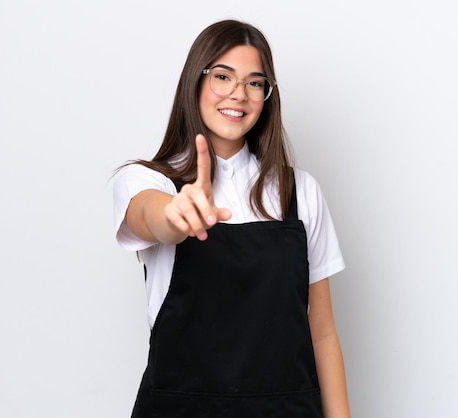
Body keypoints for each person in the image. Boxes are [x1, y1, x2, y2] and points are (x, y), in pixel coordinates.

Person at [113, 19, 351, 418]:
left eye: (255, 83)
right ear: (196, 81)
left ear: (266, 96)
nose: (238, 94)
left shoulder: (300, 191)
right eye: (223, 76)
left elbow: (322, 332)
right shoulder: (149, 181)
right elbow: (149, 216)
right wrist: (174, 217)